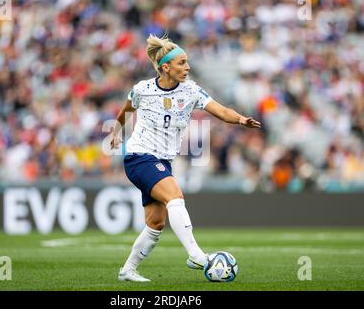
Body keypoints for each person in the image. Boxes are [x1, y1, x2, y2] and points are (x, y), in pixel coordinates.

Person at [110, 34, 261, 282]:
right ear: (165, 67)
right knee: (175, 197)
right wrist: (116, 132)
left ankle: (128, 270)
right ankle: (196, 255)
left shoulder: (191, 91)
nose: (187, 67)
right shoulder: (142, 89)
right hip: (139, 156)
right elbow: (126, 110)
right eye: (181, 63)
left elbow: (220, 110)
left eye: (188, 62)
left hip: (163, 160)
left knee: (155, 224)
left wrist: (241, 119)